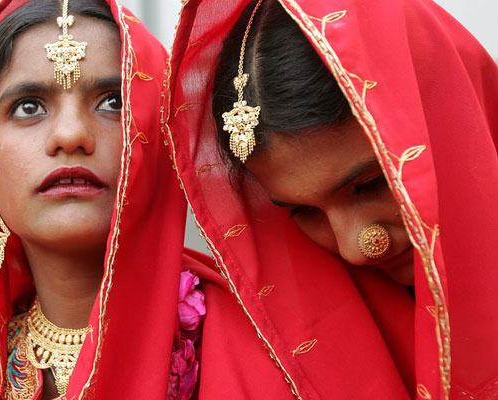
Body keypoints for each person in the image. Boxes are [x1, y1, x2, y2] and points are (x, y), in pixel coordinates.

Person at [165, 0, 498, 398]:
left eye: (371, 183)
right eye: (305, 211)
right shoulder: (292, 350)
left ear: (448, 118)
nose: (355, 248)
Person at [0, 1, 207, 399]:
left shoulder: (254, 349)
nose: (71, 135)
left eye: (114, 102)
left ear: (164, 145)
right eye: (28, 107)